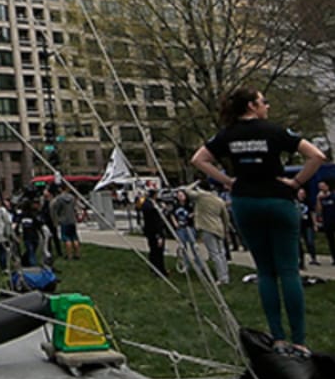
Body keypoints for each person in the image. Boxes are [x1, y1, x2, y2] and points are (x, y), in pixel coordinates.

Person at [192, 87, 324, 345]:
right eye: (264, 102)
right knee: (288, 270)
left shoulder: (227, 135)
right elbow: (316, 156)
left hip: (246, 201)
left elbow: (199, 159)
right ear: (252, 106)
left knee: (265, 271)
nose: (268, 106)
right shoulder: (274, 131)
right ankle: (299, 340)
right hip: (278, 198)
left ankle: (277, 337)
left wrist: (228, 181)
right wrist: (296, 183)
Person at [190, 181, 231, 285]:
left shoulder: (201, 197)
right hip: (218, 228)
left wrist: (195, 183)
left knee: (214, 254)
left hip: (207, 227)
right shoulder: (219, 200)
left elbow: (187, 191)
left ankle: (221, 278)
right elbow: (225, 217)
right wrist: (226, 229)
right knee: (222, 253)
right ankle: (225, 275)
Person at [138, 189, 171, 278]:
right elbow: (156, 220)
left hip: (150, 232)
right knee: (158, 252)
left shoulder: (146, 204)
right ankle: (160, 270)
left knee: (153, 251)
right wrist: (159, 235)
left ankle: (153, 269)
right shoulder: (151, 206)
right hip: (155, 232)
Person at [49, 182, 81, 260]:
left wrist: (56, 219)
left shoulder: (59, 199)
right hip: (72, 220)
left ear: (60, 189)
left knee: (67, 238)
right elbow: (75, 208)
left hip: (64, 220)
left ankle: (69, 255)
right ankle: (77, 254)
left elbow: (55, 209)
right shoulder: (72, 198)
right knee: (74, 238)